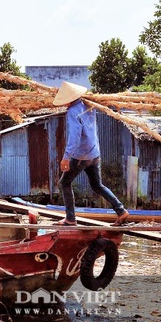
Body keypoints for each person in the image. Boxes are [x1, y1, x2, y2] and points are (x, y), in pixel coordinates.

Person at [53, 81, 130, 226]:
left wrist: (66, 157)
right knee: (97, 185)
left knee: (64, 182)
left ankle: (70, 218)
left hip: (81, 156)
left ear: (68, 100)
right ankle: (121, 210)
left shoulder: (73, 112)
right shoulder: (90, 105)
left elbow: (75, 137)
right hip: (94, 154)